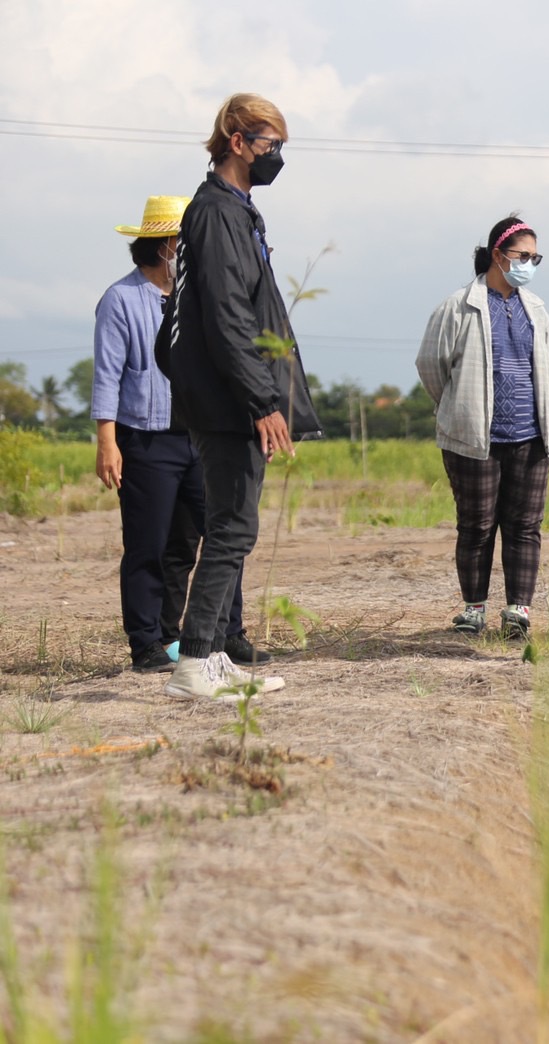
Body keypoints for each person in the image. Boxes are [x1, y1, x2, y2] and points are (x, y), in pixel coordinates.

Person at [162, 93, 321, 701]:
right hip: (230, 404)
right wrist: (262, 400)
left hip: (228, 398)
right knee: (231, 528)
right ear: (236, 140)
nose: (276, 156)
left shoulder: (235, 210)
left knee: (233, 527)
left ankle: (214, 654)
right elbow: (230, 318)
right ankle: (194, 662)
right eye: (269, 144)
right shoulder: (218, 212)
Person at [92, 195, 267, 674]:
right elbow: (107, 374)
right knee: (150, 544)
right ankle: (148, 642)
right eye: (182, 245)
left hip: (200, 435)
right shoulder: (121, 299)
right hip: (146, 439)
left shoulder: (199, 299)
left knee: (218, 534)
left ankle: (225, 633)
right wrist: (107, 441)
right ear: (163, 245)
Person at [416, 217, 549, 641]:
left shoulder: (535, 308)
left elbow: (543, 368)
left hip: (530, 434)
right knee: (477, 525)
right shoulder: (458, 306)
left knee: (524, 525)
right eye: (523, 255)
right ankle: (473, 608)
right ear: (499, 255)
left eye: (535, 257)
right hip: (474, 436)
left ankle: (518, 609)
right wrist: (457, 406)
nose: (530, 264)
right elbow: (431, 365)